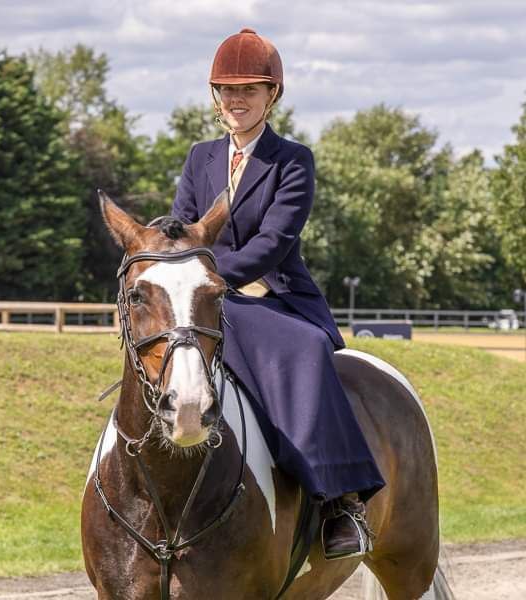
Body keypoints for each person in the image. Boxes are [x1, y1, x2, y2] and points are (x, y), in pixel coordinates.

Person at [171, 28, 385, 560]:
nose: (236, 100)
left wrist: (204, 271)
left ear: (273, 95)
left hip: (275, 297)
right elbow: (181, 225)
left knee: (307, 351)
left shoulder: (293, 160)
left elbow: (273, 242)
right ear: (214, 97)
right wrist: (170, 257)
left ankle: (342, 502)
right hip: (210, 299)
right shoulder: (200, 157)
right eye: (226, 89)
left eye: (249, 89)